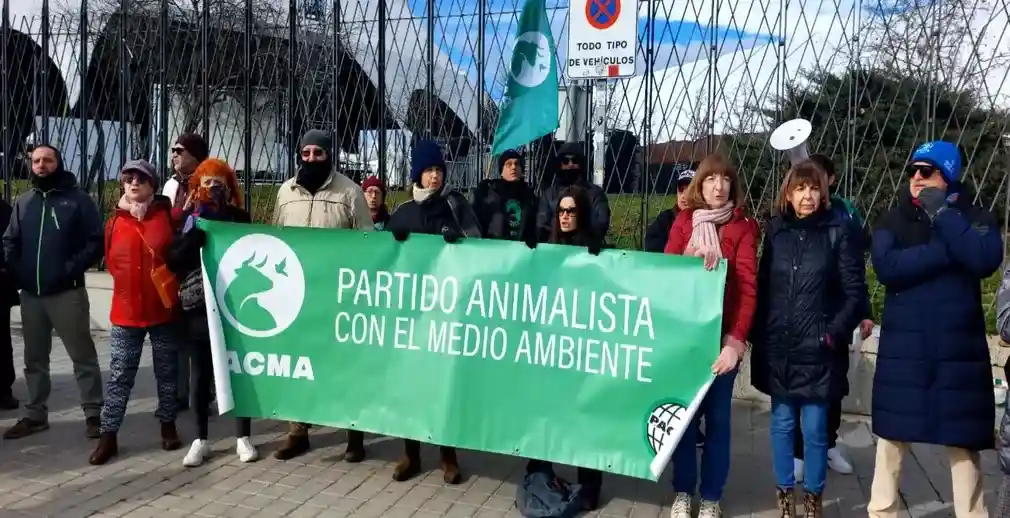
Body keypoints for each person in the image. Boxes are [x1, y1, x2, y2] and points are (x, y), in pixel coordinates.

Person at [868, 141, 1001, 518]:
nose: (916, 178)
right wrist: (947, 253)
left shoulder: (976, 216)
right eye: (913, 170)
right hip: (905, 352)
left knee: (963, 445)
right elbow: (887, 266)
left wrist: (943, 214)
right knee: (891, 441)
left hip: (958, 354)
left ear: (949, 176)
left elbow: (983, 258)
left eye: (926, 171)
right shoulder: (894, 218)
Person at [750, 161, 865, 517]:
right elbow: (764, 286)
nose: (807, 196)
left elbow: (855, 293)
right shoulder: (777, 231)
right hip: (781, 347)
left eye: (814, 188)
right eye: (800, 188)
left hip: (819, 351)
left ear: (824, 192)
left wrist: (831, 334)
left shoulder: (838, 231)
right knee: (782, 425)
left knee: (815, 430)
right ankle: (785, 498)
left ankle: (813, 498)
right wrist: (759, 333)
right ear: (788, 193)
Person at [664, 154, 759, 518]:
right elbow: (665, 272)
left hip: (721, 342)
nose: (718, 187)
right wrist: (690, 256)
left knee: (718, 422)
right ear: (699, 185)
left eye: (725, 179)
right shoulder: (684, 221)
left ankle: (711, 498)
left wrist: (736, 342)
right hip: (685, 339)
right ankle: (683, 492)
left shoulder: (743, 226)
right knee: (685, 422)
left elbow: (748, 287)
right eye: (710, 179)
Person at [272, 129, 372, 461]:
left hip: (336, 295)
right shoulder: (285, 192)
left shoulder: (350, 192)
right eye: (306, 153)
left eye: (318, 152)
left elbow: (368, 243)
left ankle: (354, 434)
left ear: (330, 154)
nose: (312, 158)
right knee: (298, 363)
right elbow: (277, 238)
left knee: (344, 365)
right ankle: (297, 431)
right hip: (297, 294)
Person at [386, 139, 481, 484]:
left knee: (443, 385)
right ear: (417, 174)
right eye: (428, 170)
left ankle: (448, 455)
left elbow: (478, 245)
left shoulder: (455, 205)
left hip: (446, 312)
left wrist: (459, 239)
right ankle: (410, 454)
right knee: (411, 383)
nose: (435, 176)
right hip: (412, 313)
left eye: (439, 169)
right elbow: (383, 261)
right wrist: (391, 237)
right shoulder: (403, 211)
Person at [2, 144, 105, 440]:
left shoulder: (78, 200)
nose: (41, 164)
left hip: (66, 293)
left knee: (82, 355)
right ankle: (36, 415)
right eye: (36, 160)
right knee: (34, 359)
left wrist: (69, 269)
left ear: (58, 163)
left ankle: (93, 414)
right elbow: (10, 240)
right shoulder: (24, 202)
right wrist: (18, 271)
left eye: (47, 159)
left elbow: (96, 241)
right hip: (31, 296)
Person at [166, 158, 260, 467]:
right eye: (207, 182)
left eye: (219, 182)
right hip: (199, 307)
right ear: (197, 187)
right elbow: (173, 260)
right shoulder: (190, 220)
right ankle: (200, 438)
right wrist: (191, 241)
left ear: (229, 187)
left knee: (239, 370)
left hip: (235, 305)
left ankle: (242, 436)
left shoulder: (240, 218)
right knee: (201, 372)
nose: (213, 188)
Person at [88, 160, 183, 465]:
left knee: (167, 372)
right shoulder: (115, 222)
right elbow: (112, 262)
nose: (134, 183)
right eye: (129, 178)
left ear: (153, 185)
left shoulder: (166, 217)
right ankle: (108, 435)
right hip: (126, 312)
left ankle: (168, 424)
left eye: (141, 179)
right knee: (120, 375)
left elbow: (177, 255)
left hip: (162, 310)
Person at [524, 184, 605, 510]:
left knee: (585, 415)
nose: (566, 216)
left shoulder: (595, 251)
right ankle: (539, 473)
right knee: (544, 410)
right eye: (561, 211)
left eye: (572, 211)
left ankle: (591, 483)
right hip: (551, 346)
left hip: (582, 348)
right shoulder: (547, 248)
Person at [790, 154, 868, 479]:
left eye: (818, 180)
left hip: (835, 319)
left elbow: (856, 271)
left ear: (830, 181)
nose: (810, 191)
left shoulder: (845, 213)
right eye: (804, 184)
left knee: (833, 390)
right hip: (802, 322)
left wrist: (862, 312)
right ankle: (798, 453)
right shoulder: (790, 219)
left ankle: (829, 444)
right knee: (798, 394)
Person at [163, 133, 209, 412]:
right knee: (177, 334)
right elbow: (165, 221)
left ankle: (205, 393)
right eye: (173, 150)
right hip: (176, 263)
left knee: (202, 335)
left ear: (195, 154)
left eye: (180, 150)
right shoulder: (171, 184)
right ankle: (180, 394)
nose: (174, 155)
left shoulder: (210, 181)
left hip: (202, 266)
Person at [536, 143, 610, 241]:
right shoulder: (549, 195)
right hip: (555, 246)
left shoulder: (595, 193)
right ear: (559, 164)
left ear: (581, 164)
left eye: (575, 161)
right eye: (565, 161)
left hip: (585, 246)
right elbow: (542, 225)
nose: (570, 165)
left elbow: (602, 222)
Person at [471, 149, 537, 243]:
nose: (513, 167)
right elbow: (473, 223)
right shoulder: (488, 193)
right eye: (508, 164)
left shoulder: (530, 196)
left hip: (521, 249)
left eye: (517, 164)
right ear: (501, 171)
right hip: (495, 247)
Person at [644, 169, 694, 253]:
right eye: (681, 190)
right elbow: (651, 246)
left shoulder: (705, 220)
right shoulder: (665, 218)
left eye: (690, 191)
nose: (684, 196)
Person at [0, 196, 19, 411]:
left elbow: (12, 244)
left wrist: (6, 270)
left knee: (1, 340)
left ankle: (4, 390)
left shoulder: (4, 210)